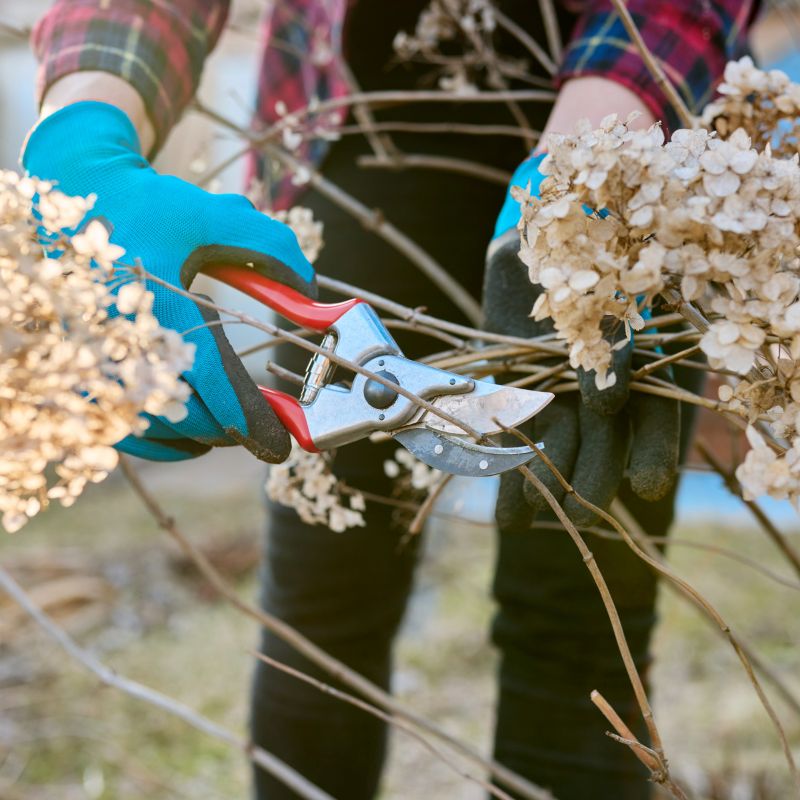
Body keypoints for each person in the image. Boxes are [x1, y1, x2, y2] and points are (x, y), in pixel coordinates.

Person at [24, 1, 757, 798]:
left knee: (579, 613)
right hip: (365, 115)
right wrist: (81, 137)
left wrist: (593, 158)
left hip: (631, 131)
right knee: (325, 604)